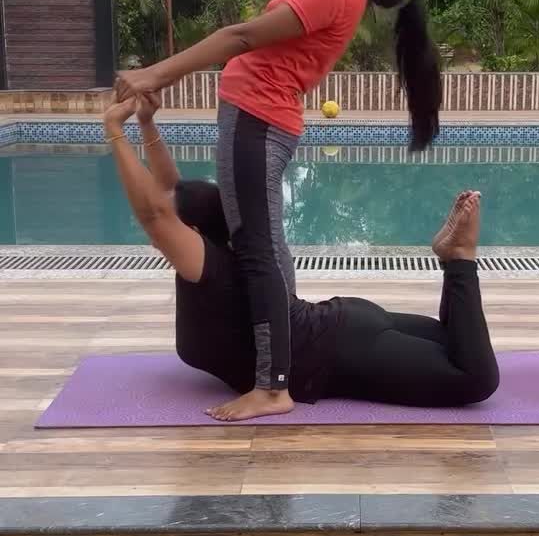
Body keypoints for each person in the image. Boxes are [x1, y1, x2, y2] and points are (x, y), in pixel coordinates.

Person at [114, 0, 442, 422]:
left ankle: (273, 386)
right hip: (257, 118)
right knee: (254, 238)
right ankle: (276, 348)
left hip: (258, 120)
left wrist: (156, 74)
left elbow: (242, 36)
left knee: (257, 245)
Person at [103, 94, 498, 417]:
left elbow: (156, 213)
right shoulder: (230, 248)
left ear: (191, 231)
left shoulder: (212, 270)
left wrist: (115, 131)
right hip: (341, 326)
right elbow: (171, 195)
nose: (156, 234)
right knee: (456, 342)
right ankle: (453, 260)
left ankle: (459, 256)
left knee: (475, 378)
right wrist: (146, 123)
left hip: (339, 351)